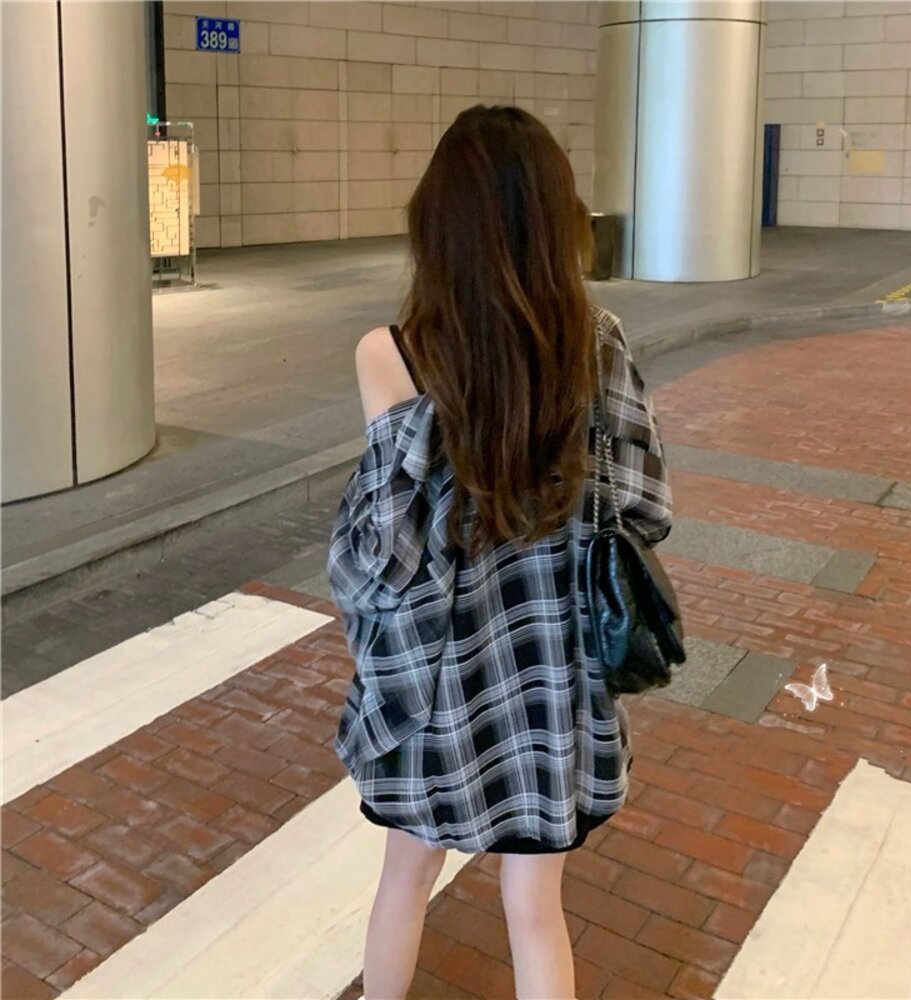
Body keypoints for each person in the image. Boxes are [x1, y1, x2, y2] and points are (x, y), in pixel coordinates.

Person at [328, 105, 672, 1000]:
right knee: (534, 904)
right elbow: (643, 509)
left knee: (404, 877)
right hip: (553, 675)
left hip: (435, 678)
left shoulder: (390, 354)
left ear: (437, 223)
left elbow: (384, 554)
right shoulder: (596, 343)